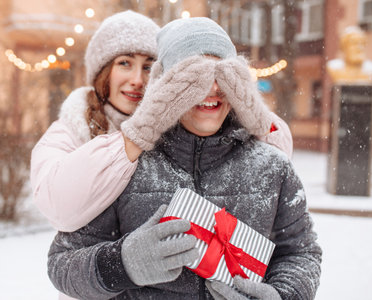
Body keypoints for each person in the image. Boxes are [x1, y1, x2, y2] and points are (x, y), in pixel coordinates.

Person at [47, 17, 322, 300]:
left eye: (224, 74)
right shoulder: (126, 164)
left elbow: (301, 252)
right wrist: (122, 263)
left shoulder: (272, 167)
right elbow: (62, 262)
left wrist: (282, 295)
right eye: (194, 76)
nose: (212, 88)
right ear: (165, 85)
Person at [31, 11, 293, 233]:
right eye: (124, 63)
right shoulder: (73, 126)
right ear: (103, 73)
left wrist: (252, 112)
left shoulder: (191, 123)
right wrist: (142, 129)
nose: (137, 80)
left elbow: (275, 168)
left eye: (148, 67)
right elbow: (58, 206)